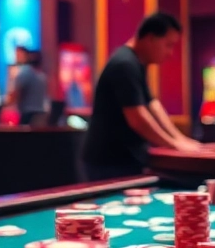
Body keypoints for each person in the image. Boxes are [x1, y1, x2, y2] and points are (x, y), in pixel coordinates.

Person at [82, 12, 201, 180]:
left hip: (120, 159)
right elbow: (138, 118)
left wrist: (179, 139)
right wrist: (174, 144)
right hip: (108, 161)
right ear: (151, 38)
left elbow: (153, 105)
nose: (170, 53)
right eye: (168, 45)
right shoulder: (125, 64)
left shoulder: (136, 63)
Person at [9, 48, 50, 125]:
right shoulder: (42, 76)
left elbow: (17, 92)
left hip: (28, 114)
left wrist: (7, 104)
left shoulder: (25, 73)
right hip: (40, 114)